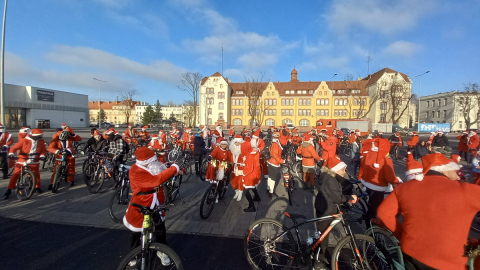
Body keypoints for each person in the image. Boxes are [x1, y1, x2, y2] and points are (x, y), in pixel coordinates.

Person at [377, 153, 480, 270]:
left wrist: (401, 233)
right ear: (444, 171)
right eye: (455, 171)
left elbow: (383, 213)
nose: (457, 176)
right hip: (448, 261)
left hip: (411, 251)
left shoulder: (404, 187)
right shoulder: (466, 191)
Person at [123, 147, 181, 267]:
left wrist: (175, 171)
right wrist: (174, 168)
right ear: (145, 162)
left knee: (160, 227)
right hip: (141, 202)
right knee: (135, 231)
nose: (154, 162)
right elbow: (155, 180)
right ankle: (134, 253)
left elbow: (162, 171)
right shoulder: (135, 170)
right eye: (152, 160)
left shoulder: (153, 166)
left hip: (157, 200)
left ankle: (162, 251)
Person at [314, 156, 357, 269]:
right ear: (335, 169)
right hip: (325, 210)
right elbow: (337, 198)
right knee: (323, 236)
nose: (344, 172)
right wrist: (349, 197)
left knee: (323, 234)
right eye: (342, 170)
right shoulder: (330, 179)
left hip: (327, 208)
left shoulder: (331, 177)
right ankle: (318, 261)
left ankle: (319, 255)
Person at [358, 138, 401, 226]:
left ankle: (369, 225)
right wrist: (398, 180)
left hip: (367, 184)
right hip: (378, 187)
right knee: (376, 211)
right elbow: (390, 178)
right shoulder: (385, 159)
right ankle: (372, 231)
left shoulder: (368, 155)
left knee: (371, 207)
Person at [3, 129, 46, 199]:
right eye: (39, 136)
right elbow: (14, 148)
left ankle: (37, 187)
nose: (41, 137)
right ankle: (9, 190)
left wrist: (42, 156)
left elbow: (43, 150)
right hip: (22, 160)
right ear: (34, 135)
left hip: (34, 161)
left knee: (36, 175)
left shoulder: (41, 141)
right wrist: (11, 154)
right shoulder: (24, 140)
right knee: (15, 175)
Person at [241, 142, 262, 212]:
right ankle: (257, 197)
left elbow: (249, 168)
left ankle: (251, 206)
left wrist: (242, 172)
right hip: (255, 173)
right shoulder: (254, 153)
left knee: (246, 191)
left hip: (250, 175)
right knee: (252, 186)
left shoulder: (249, 156)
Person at [266, 132, 285, 198]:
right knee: (273, 178)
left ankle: (268, 189)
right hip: (274, 163)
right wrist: (282, 161)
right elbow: (275, 156)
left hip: (270, 161)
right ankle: (271, 192)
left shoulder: (273, 143)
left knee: (270, 176)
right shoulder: (276, 145)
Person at [229, 134, 244, 201]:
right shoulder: (231, 150)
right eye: (236, 142)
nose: (237, 143)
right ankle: (236, 192)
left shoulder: (243, 150)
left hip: (241, 168)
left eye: (238, 142)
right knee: (233, 182)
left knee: (240, 181)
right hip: (233, 168)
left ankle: (240, 193)